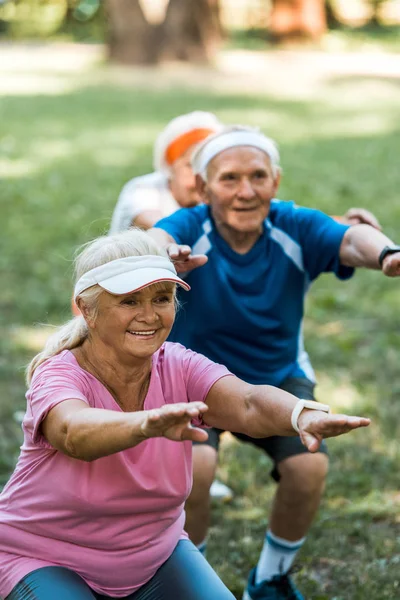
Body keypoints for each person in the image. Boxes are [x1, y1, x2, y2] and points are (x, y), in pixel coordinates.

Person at [0, 229, 370, 600]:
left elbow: (247, 402)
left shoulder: (178, 363)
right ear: (86, 309)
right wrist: (144, 424)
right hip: (41, 555)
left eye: (161, 298)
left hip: (152, 554)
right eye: (129, 301)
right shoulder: (60, 373)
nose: (149, 315)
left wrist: (300, 414)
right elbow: (72, 432)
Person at [149, 126, 400, 600]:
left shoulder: (294, 225)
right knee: (195, 470)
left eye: (258, 176)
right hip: (194, 380)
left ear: (276, 181)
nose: (246, 191)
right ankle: (191, 580)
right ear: (203, 189)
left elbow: (350, 239)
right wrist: (163, 255)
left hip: (278, 375)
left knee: (308, 466)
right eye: (229, 179)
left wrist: (386, 254)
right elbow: (156, 238)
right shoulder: (188, 226)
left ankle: (269, 578)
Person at [109, 111, 223, 234]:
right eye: (191, 166)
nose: (202, 176)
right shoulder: (143, 189)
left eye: (209, 166)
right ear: (170, 166)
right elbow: (153, 222)